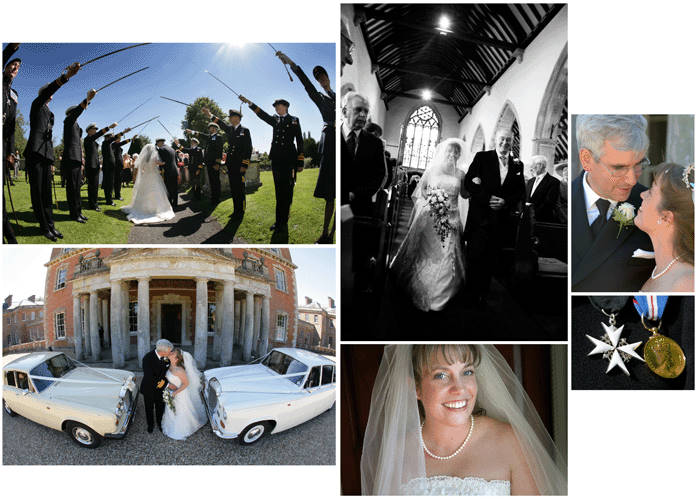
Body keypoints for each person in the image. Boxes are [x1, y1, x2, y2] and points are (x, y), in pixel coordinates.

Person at [361, 344, 567, 495]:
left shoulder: (510, 442)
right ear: (415, 388)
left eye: (467, 372)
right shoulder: (396, 453)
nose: (459, 389)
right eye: (441, 375)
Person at [571, 115, 655, 291]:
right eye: (619, 167)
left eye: (639, 164)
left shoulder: (651, 206)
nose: (632, 180)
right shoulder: (562, 198)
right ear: (586, 159)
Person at [390, 139, 467, 312]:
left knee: (448, 253)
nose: (452, 155)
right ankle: (422, 286)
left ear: (459, 155)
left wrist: (476, 184)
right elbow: (422, 189)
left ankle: (440, 295)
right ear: (444, 152)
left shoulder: (461, 174)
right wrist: (432, 199)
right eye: (450, 151)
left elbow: (465, 194)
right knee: (427, 252)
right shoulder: (433, 170)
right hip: (432, 217)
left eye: (456, 152)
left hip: (451, 218)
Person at [277, 52, 336, 244]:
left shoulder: (338, 96)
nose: (322, 80)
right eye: (319, 79)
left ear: (328, 77)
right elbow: (304, 82)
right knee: (329, 193)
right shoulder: (319, 97)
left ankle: (334, 232)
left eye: (324, 76)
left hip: (343, 140)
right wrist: (290, 62)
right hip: (330, 143)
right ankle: (325, 233)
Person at [462, 128, 525, 304]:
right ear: (495, 140)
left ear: (512, 142)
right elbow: (469, 182)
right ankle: (469, 294)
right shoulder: (482, 158)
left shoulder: (518, 164)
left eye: (508, 140)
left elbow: (520, 192)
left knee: (491, 258)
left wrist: (505, 202)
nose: (505, 143)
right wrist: (488, 198)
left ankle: (483, 293)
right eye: (502, 139)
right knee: (475, 255)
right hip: (481, 216)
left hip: (501, 219)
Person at [25, 61, 82, 241]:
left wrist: (50, 159)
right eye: (49, 94)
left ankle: (51, 225)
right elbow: (50, 90)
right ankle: (44, 227)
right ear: (45, 95)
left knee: (48, 194)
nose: (51, 97)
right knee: (38, 193)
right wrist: (66, 77)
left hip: (46, 155)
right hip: (35, 153)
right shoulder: (37, 104)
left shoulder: (50, 114)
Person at [239, 95, 304, 243]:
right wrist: (249, 102)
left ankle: (283, 221)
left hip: (289, 160)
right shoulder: (275, 120)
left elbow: (299, 140)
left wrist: (300, 161)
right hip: (276, 160)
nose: (276, 108)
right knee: (278, 191)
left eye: (278, 106)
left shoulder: (294, 120)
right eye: (275, 107)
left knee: (287, 191)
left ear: (285, 107)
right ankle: (278, 221)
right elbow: (262, 115)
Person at [634, 163, 694, 291]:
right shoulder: (658, 270)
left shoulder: (687, 283)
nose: (642, 194)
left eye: (650, 192)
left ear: (666, 217)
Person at [202, 107, 252, 237]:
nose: (230, 119)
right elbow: (221, 124)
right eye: (230, 118)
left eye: (233, 117)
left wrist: (244, 165)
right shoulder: (230, 130)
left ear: (238, 118)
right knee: (234, 188)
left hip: (240, 165)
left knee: (240, 189)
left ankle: (240, 212)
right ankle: (236, 211)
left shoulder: (245, 130)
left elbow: (248, 149)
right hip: (231, 164)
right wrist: (210, 115)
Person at [340, 91, 386, 216]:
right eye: (358, 110)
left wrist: (356, 193)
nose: (362, 115)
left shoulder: (375, 143)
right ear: (344, 111)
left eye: (366, 111)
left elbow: (379, 174)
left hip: (360, 207)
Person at [61, 89, 97, 223]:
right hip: (70, 158)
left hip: (76, 158)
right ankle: (73, 214)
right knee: (72, 188)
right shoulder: (68, 121)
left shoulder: (76, 125)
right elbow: (78, 111)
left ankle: (79, 212)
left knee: (77, 187)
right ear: (71, 113)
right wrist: (87, 99)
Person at [121, 143, 175, 224]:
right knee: (157, 192)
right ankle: (156, 209)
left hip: (146, 177)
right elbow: (160, 163)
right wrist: (167, 161)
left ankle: (142, 209)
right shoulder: (154, 157)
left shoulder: (142, 159)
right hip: (155, 177)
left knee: (144, 192)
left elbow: (141, 168)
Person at [161, 348, 208, 440]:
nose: (171, 353)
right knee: (171, 410)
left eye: (173, 353)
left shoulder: (180, 370)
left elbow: (186, 383)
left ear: (177, 358)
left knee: (181, 411)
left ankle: (182, 429)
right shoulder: (169, 365)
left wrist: (175, 393)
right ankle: (170, 425)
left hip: (180, 394)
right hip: (171, 392)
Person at [3, 47, 21, 244]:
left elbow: (11, 126)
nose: (15, 68)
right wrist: (12, 47)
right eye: (12, 65)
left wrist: (10, 152)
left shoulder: (14, 94)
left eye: (17, 68)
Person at [186, 122, 224, 205]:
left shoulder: (218, 137)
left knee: (215, 181)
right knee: (211, 181)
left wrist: (217, 163)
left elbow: (219, 150)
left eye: (211, 127)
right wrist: (192, 132)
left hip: (214, 163)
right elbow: (201, 135)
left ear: (215, 128)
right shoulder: (210, 137)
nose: (210, 129)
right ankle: (213, 197)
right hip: (209, 163)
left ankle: (216, 199)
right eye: (209, 128)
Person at [140, 339, 173, 433]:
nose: (170, 353)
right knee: (149, 408)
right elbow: (149, 376)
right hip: (149, 388)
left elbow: (168, 372)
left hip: (161, 389)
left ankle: (160, 423)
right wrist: (162, 383)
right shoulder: (147, 358)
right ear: (162, 351)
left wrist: (164, 382)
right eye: (169, 351)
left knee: (160, 407)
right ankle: (150, 425)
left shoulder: (166, 358)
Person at [84, 121, 117, 211]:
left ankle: (94, 203)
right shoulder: (87, 139)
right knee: (92, 186)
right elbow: (97, 135)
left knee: (95, 186)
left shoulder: (93, 140)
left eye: (95, 130)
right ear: (89, 130)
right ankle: (92, 205)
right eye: (94, 129)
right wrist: (108, 127)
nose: (95, 131)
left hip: (95, 165)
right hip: (91, 166)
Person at [525, 155, 560, 223]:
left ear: (540, 165)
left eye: (532, 165)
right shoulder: (530, 181)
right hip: (527, 219)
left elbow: (549, 202)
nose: (531, 168)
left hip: (542, 220)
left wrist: (533, 212)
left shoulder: (554, 182)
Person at [178, 135, 204, 200]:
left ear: (195, 143)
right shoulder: (191, 149)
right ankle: (194, 196)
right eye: (191, 142)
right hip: (191, 169)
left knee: (197, 183)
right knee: (192, 183)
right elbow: (184, 149)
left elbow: (201, 160)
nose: (191, 143)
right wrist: (178, 144)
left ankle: (198, 197)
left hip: (196, 169)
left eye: (192, 142)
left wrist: (199, 169)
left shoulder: (198, 149)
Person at [111, 133, 132, 201]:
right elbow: (120, 144)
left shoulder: (119, 147)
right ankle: (116, 195)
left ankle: (118, 195)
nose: (119, 139)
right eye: (118, 138)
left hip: (120, 166)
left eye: (120, 138)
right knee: (115, 181)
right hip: (115, 166)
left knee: (119, 181)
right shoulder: (113, 144)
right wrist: (130, 139)